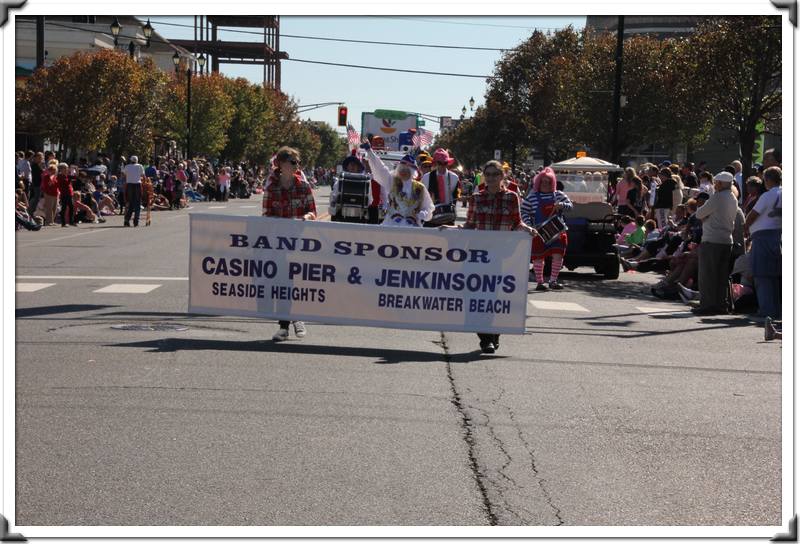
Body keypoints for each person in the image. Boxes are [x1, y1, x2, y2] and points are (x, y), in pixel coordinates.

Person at [440, 160, 537, 354]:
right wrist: (450, 229)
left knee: (493, 298)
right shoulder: (477, 198)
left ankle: (494, 334)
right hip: (477, 255)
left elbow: (517, 222)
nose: (491, 178)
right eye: (488, 174)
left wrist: (527, 229)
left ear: (503, 176)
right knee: (474, 297)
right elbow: (469, 225)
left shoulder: (511, 198)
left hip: (500, 256)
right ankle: (485, 339)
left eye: (495, 174)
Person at [262, 146, 317, 342]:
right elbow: (266, 216)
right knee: (283, 283)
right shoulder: (271, 188)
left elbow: (313, 211)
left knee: (296, 283)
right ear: (281, 164)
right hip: (279, 243)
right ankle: (287, 324)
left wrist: (305, 217)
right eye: (292, 162)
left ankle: (294, 319)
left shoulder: (304, 186)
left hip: (300, 242)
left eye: (297, 163)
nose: (296, 166)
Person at [692, 171, 738, 315]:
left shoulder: (717, 197)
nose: (715, 185)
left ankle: (707, 305)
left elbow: (699, 214)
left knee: (708, 274)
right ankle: (720, 304)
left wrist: (706, 217)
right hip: (726, 240)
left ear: (720, 183)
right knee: (721, 275)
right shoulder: (733, 198)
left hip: (712, 239)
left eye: (716, 182)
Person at [521, 167, 573, 291]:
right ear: (538, 182)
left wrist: (562, 205)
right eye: (543, 182)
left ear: (553, 183)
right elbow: (523, 211)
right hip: (539, 232)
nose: (546, 184)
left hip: (557, 231)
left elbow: (571, 206)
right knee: (538, 257)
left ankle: (553, 281)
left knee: (558, 255)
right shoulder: (532, 197)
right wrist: (529, 225)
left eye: (549, 182)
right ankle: (540, 282)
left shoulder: (559, 195)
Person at [361, 140, 434, 227]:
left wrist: (422, 214)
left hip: (413, 229)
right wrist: (369, 151)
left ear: (412, 172)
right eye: (401, 168)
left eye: (406, 169)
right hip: (391, 226)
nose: (403, 171)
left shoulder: (420, 188)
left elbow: (429, 208)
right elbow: (380, 168)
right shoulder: (391, 181)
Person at [745, 166, 781, 321]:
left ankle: (766, 310)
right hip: (778, 235)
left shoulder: (767, 195)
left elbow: (753, 215)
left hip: (762, 236)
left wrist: (745, 228)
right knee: (775, 275)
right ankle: (777, 309)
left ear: (767, 180)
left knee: (761, 274)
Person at [422, 148, 460, 227]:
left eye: (445, 163)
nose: (442, 166)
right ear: (436, 163)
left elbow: (456, 197)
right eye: (440, 163)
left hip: (448, 218)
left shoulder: (454, 178)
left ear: (448, 163)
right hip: (430, 217)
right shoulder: (426, 177)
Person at [122, 155, 145, 227]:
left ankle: (126, 220)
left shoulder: (127, 166)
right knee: (137, 204)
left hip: (129, 185)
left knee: (131, 203)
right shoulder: (140, 166)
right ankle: (136, 221)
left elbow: (124, 175)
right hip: (137, 185)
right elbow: (143, 175)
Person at [56, 163, 74, 227]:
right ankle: (63, 222)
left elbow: (75, 176)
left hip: (69, 193)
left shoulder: (66, 175)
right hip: (64, 194)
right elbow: (66, 183)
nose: (67, 169)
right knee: (64, 207)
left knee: (71, 207)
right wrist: (69, 177)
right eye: (65, 168)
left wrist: (75, 170)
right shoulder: (60, 176)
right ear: (61, 169)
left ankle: (71, 221)